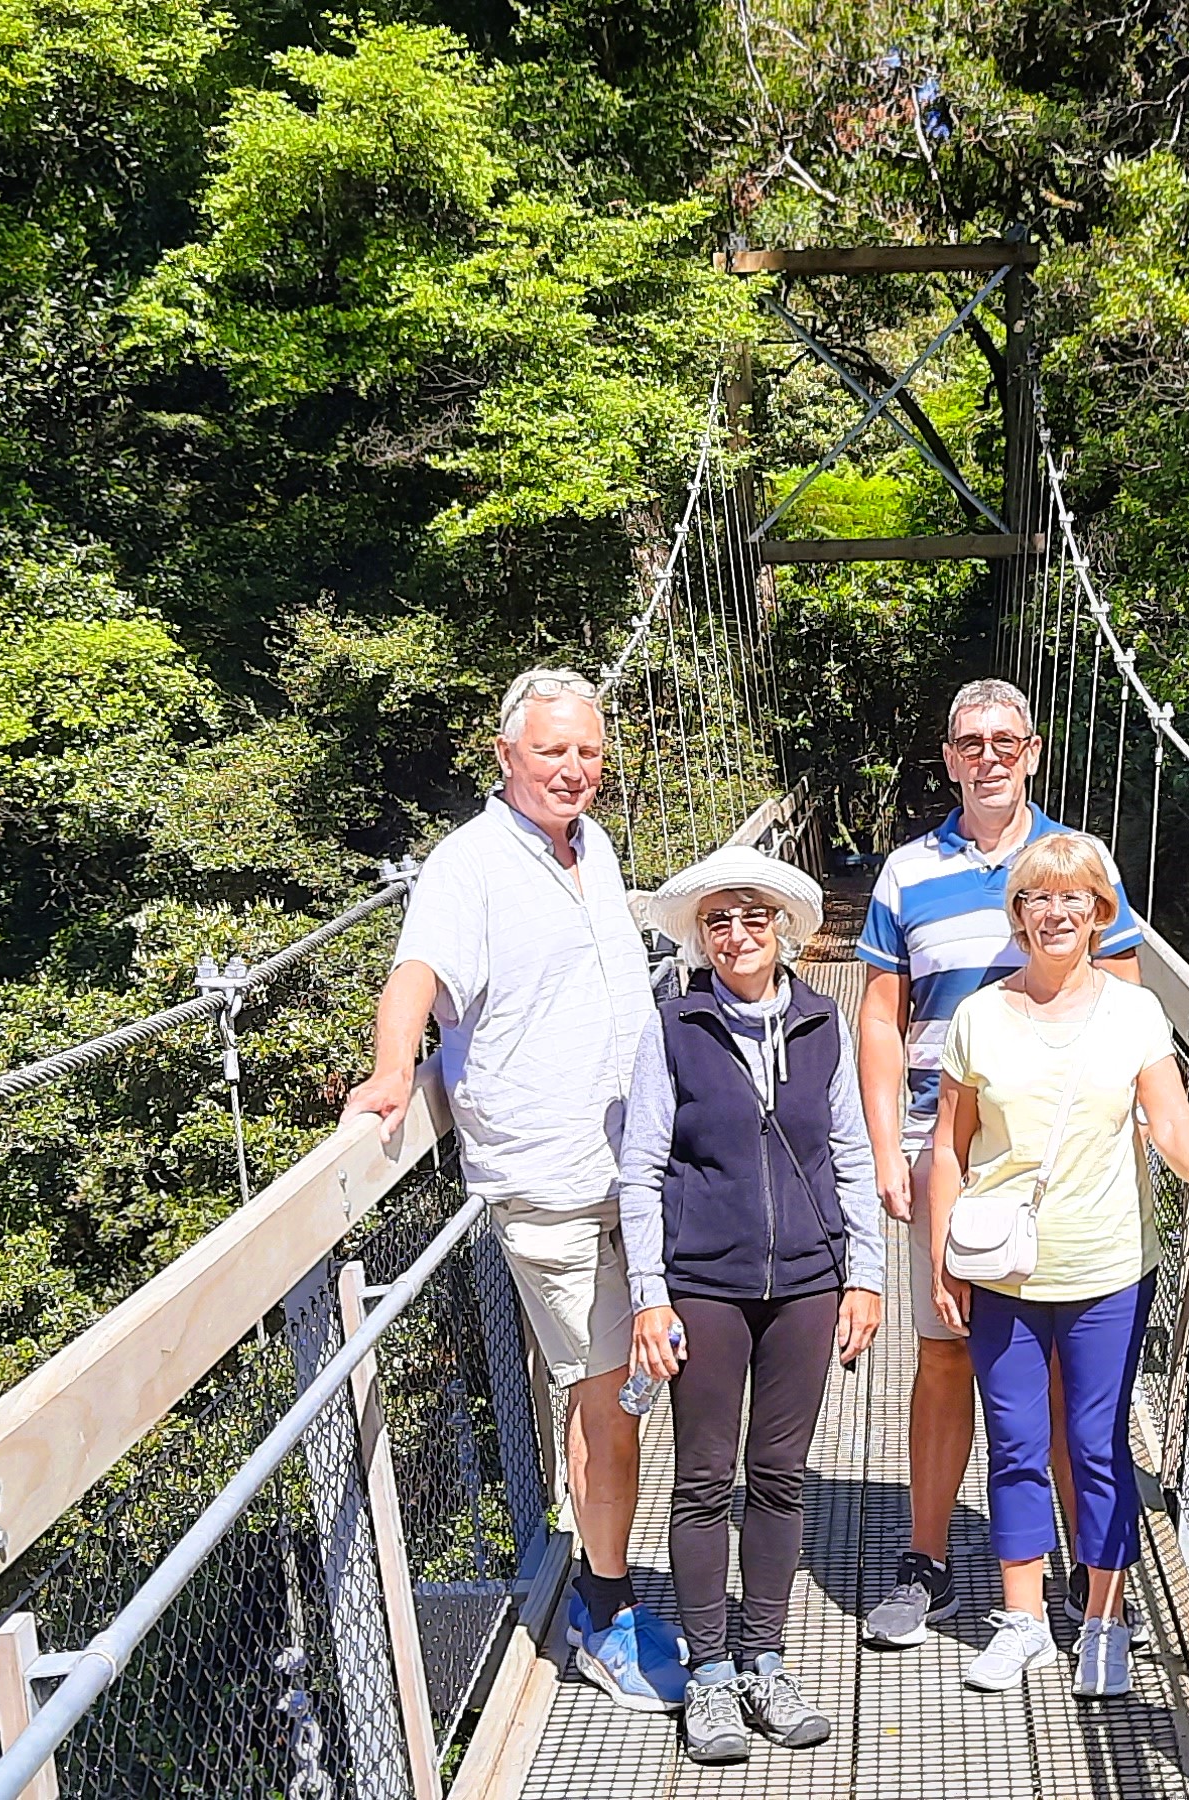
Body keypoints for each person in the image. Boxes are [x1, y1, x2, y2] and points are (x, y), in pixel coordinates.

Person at [341, 667, 689, 1714]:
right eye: (553, 752)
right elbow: (417, 974)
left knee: (616, 1388)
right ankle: (606, 1612)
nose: (574, 769)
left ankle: (607, 1587)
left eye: (588, 751)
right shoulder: (469, 864)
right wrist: (396, 1071)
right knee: (607, 1394)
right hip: (553, 1180)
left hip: (637, 1169)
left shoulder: (592, 847)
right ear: (506, 756)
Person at [855, 678, 1150, 1650]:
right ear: (947, 757)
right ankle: (928, 1562)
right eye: (969, 741)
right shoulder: (905, 874)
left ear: (1031, 752)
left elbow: (1128, 1005)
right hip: (949, 1162)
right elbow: (881, 1021)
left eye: (1005, 740)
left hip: (1062, 1175)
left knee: (1063, 1382)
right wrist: (885, 1145)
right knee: (943, 1356)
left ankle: (1079, 1579)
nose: (987, 755)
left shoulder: (1075, 863)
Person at [925, 831, 1189, 1697]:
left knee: (1097, 1446)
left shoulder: (1133, 1013)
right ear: (1018, 915)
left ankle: (1103, 1622)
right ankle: (1022, 1619)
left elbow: (1169, 1121)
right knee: (1018, 1444)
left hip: (1108, 1268)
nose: (1056, 912)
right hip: (1004, 1273)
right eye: (1038, 899)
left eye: (1075, 899)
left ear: (1100, 913)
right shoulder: (979, 1017)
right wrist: (939, 1255)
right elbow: (948, 1150)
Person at [618, 845, 886, 1764]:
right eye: (719, 921)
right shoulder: (674, 1026)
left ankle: (765, 1657)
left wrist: (868, 1275)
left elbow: (849, 1151)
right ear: (701, 937)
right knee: (700, 1479)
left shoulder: (823, 1025)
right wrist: (650, 1296)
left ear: (788, 935)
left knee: (778, 1475)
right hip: (705, 1283)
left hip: (809, 1283)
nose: (737, 934)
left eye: (754, 917)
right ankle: (708, 1675)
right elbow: (642, 1166)